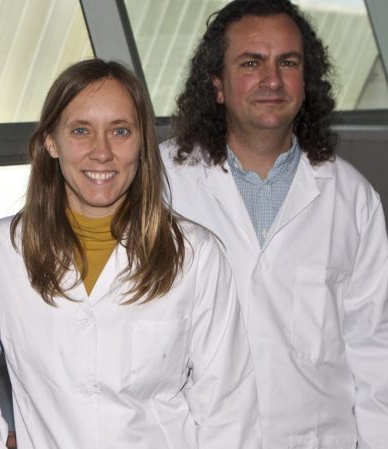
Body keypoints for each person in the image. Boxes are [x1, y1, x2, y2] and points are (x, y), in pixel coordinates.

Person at [0, 59, 260, 449]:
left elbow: (229, 407)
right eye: (81, 131)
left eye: (120, 131)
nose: (101, 152)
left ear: (142, 143)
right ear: (52, 142)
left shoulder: (196, 255)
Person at [164, 0, 388, 447]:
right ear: (218, 85)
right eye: (251, 62)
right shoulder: (160, 183)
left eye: (288, 62)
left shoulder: (353, 198)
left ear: (306, 82)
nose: (272, 79)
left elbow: (375, 350)